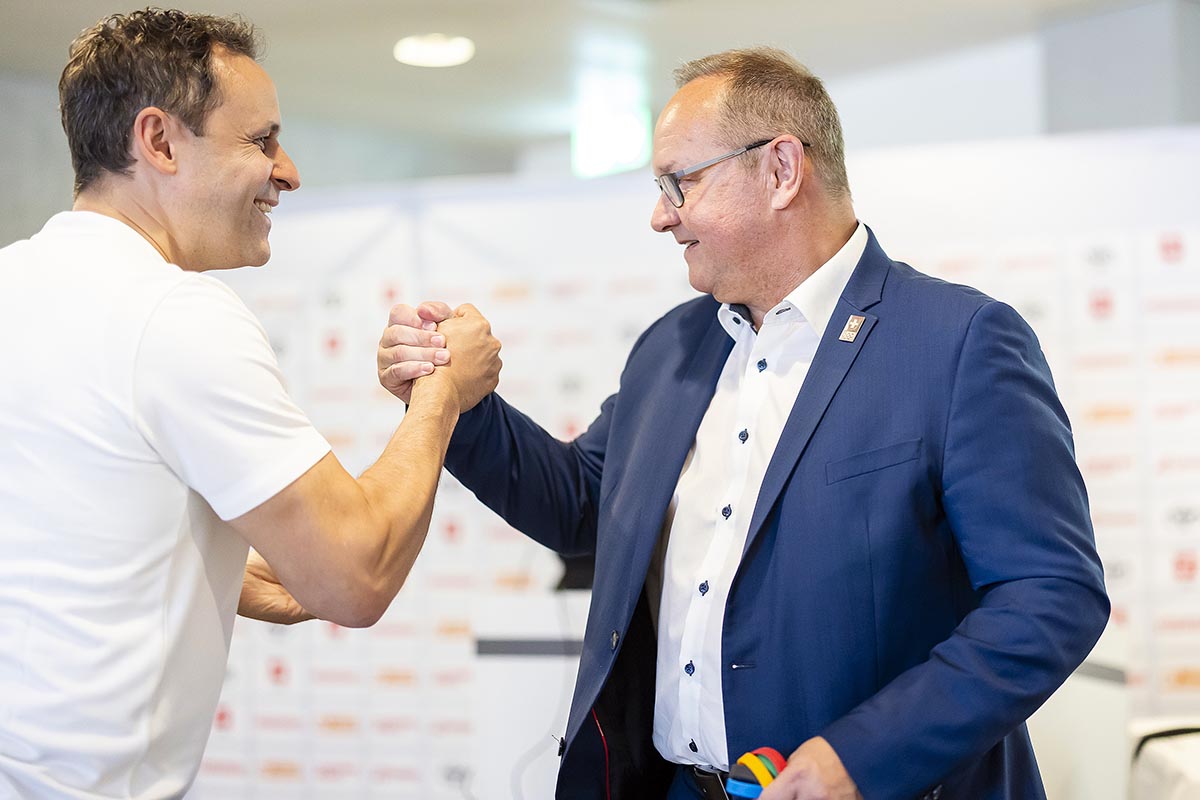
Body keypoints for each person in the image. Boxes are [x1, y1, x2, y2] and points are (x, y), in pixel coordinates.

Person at [378, 47, 1108, 800]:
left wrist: (863, 756)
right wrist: (453, 404)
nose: (661, 215)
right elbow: (586, 507)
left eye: (679, 183)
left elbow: (1050, 596)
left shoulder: (958, 342)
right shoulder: (672, 348)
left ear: (781, 169)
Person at [0, 9, 499, 799]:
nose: (289, 171)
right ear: (158, 142)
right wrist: (442, 391)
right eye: (260, 141)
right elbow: (355, 578)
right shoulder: (172, 312)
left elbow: (51, 522)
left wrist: (194, 567)